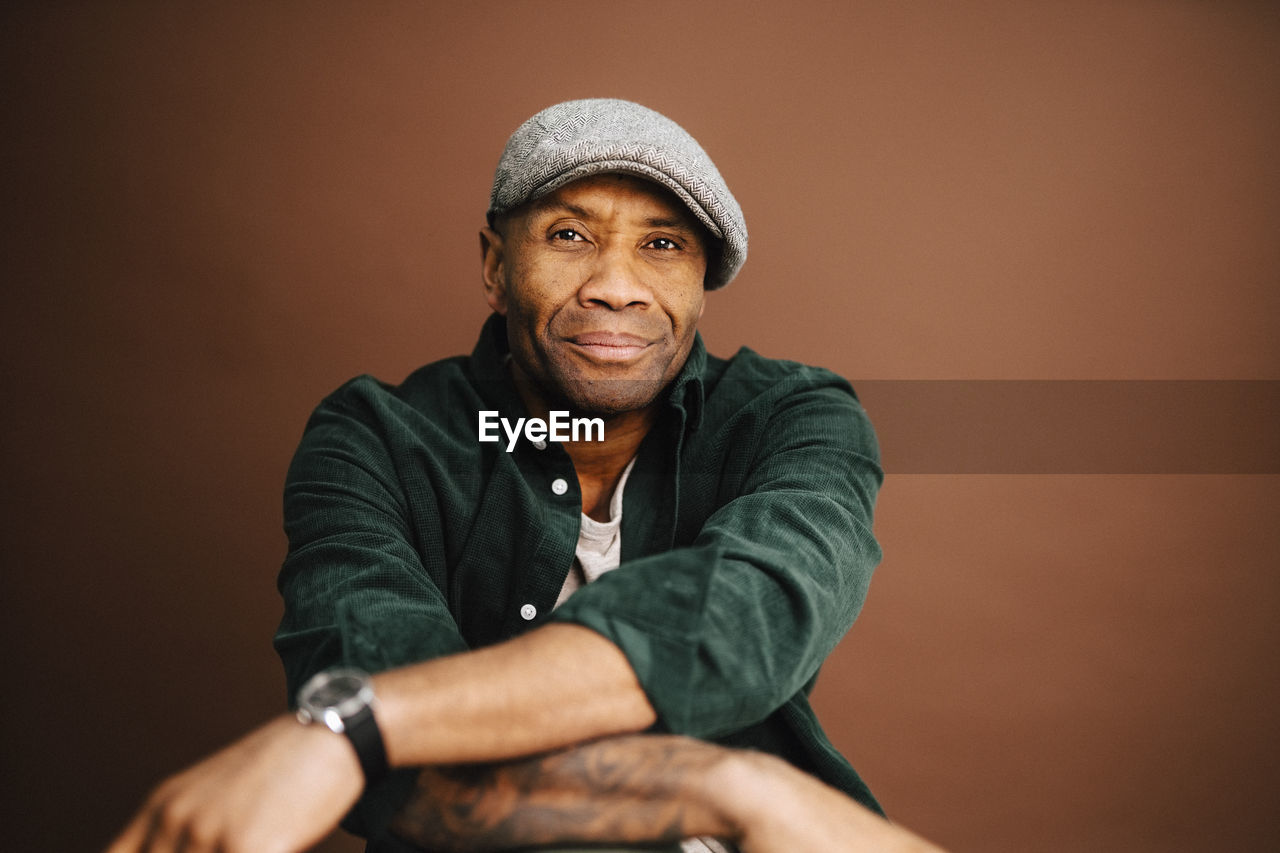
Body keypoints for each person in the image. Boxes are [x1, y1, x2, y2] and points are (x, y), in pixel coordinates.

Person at [108, 98, 945, 853]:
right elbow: (391, 752)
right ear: (493, 265)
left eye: (663, 245)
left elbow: (747, 618)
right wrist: (731, 791)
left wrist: (357, 728)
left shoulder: (794, 416)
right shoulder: (377, 437)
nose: (617, 287)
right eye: (569, 236)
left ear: (700, 281)